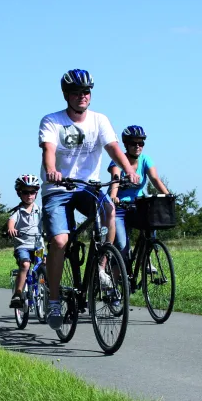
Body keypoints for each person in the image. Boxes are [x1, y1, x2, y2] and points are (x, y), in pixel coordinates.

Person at [39, 69, 140, 330]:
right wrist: (52, 171)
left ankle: (102, 266)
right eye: (76, 92)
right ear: (66, 95)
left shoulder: (99, 120)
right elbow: (49, 150)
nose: (82, 96)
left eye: (86, 92)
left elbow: (113, 148)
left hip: (87, 187)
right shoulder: (52, 121)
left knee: (109, 207)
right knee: (61, 241)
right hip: (58, 189)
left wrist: (128, 169)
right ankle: (53, 299)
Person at [108, 125, 170, 263]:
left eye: (141, 143)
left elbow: (155, 179)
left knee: (150, 229)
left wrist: (168, 196)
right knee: (122, 246)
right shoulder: (118, 161)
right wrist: (114, 195)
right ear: (125, 144)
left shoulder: (145, 159)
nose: (137, 146)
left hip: (138, 205)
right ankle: (118, 277)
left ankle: (145, 260)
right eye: (133, 143)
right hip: (120, 208)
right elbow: (115, 179)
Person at [6, 174, 43, 309]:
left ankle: (45, 290)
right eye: (25, 192)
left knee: (44, 264)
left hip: (38, 246)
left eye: (32, 192)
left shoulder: (40, 210)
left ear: (36, 193)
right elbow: (11, 221)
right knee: (26, 265)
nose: (29, 195)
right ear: (19, 193)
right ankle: (18, 294)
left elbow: (49, 221)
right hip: (23, 246)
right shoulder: (18, 211)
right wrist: (11, 229)